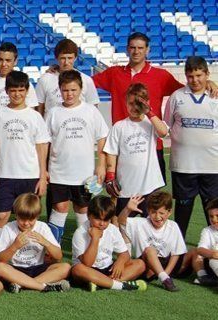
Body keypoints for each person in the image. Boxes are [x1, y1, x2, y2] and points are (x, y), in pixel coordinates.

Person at [92, 32, 217, 183]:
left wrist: (208, 83)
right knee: (119, 192)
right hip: (122, 142)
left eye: (140, 48)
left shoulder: (161, 76)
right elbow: (83, 83)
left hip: (152, 143)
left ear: (147, 50)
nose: (136, 51)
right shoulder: (114, 73)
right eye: (132, 47)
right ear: (127, 49)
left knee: (153, 195)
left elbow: (188, 90)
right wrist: (59, 72)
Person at [0, 71, 50, 259]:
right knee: (2, 215)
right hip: (5, 174)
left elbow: (41, 147)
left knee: (28, 218)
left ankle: (28, 256)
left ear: (27, 91)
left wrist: (42, 176)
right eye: (13, 90)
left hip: (29, 175)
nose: (17, 94)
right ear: (6, 91)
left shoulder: (35, 116)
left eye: (21, 90)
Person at [0, 42, 39, 227]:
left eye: (8, 60)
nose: (4, 64)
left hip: (19, 147)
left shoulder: (25, 84)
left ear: (15, 61)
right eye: (1, 60)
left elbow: (33, 113)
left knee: (23, 198)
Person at [44, 70, 108, 241]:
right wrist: (43, 169)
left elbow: (102, 137)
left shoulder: (90, 111)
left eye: (73, 90)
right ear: (60, 90)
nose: (69, 94)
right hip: (59, 171)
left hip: (86, 174)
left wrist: (101, 165)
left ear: (81, 89)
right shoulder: (53, 112)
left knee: (83, 208)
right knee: (60, 207)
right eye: (65, 90)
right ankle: (53, 249)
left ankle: (83, 247)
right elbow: (44, 142)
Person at [164, 56, 218, 236]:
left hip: (212, 166)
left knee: (214, 212)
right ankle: (178, 251)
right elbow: (167, 125)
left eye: (199, 75)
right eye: (190, 76)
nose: (195, 80)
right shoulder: (177, 97)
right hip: (183, 166)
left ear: (207, 74)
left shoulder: (216, 96)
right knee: (182, 211)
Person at [103, 83, 168, 216]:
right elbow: (112, 153)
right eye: (131, 103)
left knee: (150, 224)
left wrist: (149, 111)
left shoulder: (151, 123)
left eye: (138, 104)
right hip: (126, 187)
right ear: (126, 103)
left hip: (150, 186)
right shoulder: (119, 126)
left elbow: (163, 132)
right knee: (123, 224)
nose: (134, 107)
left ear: (146, 103)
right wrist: (110, 176)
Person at [0, 193, 71, 293]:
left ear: (37, 216)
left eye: (31, 219)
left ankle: (22, 284)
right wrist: (15, 246)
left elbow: (58, 256)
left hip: (38, 269)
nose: (26, 223)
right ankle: (43, 286)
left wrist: (45, 242)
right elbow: (0, 260)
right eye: (22, 219)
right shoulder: (8, 228)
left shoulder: (42, 227)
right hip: (16, 269)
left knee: (66, 267)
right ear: (16, 214)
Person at [118, 191, 194, 292]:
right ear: (148, 211)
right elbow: (121, 221)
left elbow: (175, 254)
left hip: (163, 263)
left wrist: (166, 273)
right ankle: (165, 279)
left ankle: (165, 278)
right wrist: (127, 209)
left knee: (193, 252)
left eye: (161, 213)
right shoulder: (141, 223)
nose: (157, 217)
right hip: (145, 261)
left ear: (169, 212)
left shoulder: (173, 226)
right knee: (150, 250)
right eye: (153, 212)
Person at [70, 196, 147, 292]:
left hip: (108, 269)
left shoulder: (112, 229)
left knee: (140, 264)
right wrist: (95, 239)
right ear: (89, 215)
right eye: (98, 219)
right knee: (77, 269)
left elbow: (125, 254)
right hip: (89, 270)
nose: (102, 223)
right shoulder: (80, 232)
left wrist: (120, 262)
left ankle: (101, 284)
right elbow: (87, 263)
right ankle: (120, 285)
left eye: (106, 220)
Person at [36, 39, 100, 117]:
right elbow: (39, 109)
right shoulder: (45, 79)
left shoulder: (86, 80)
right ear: (56, 58)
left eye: (70, 58)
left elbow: (94, 110)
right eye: (63, 58)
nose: (66, 62)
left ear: (75, 58)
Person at [192, 198, 218, 286]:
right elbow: (200, 250)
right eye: (211, 216)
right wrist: (212, 254)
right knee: (197, 252)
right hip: (212, 263)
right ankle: (203, 276)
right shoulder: (207, 231)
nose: (214, 219)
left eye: (217, 215)